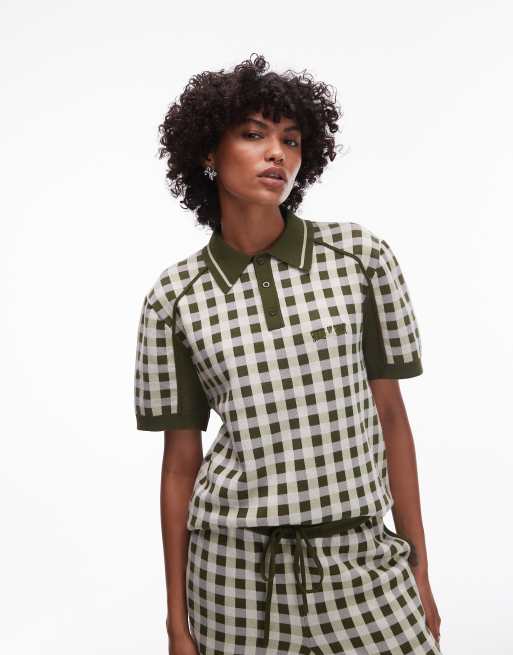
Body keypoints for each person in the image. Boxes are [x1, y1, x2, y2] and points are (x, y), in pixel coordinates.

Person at [133, 53, 442, 655]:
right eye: (254, 135)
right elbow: (179, 464)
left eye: (291, 140)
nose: (277, 153)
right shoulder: (174, 298)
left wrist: (418, 567)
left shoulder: (361, 258)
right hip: (234, 575)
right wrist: (177, 622)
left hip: (359, 557)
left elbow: (391, 416)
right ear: (208, 152)